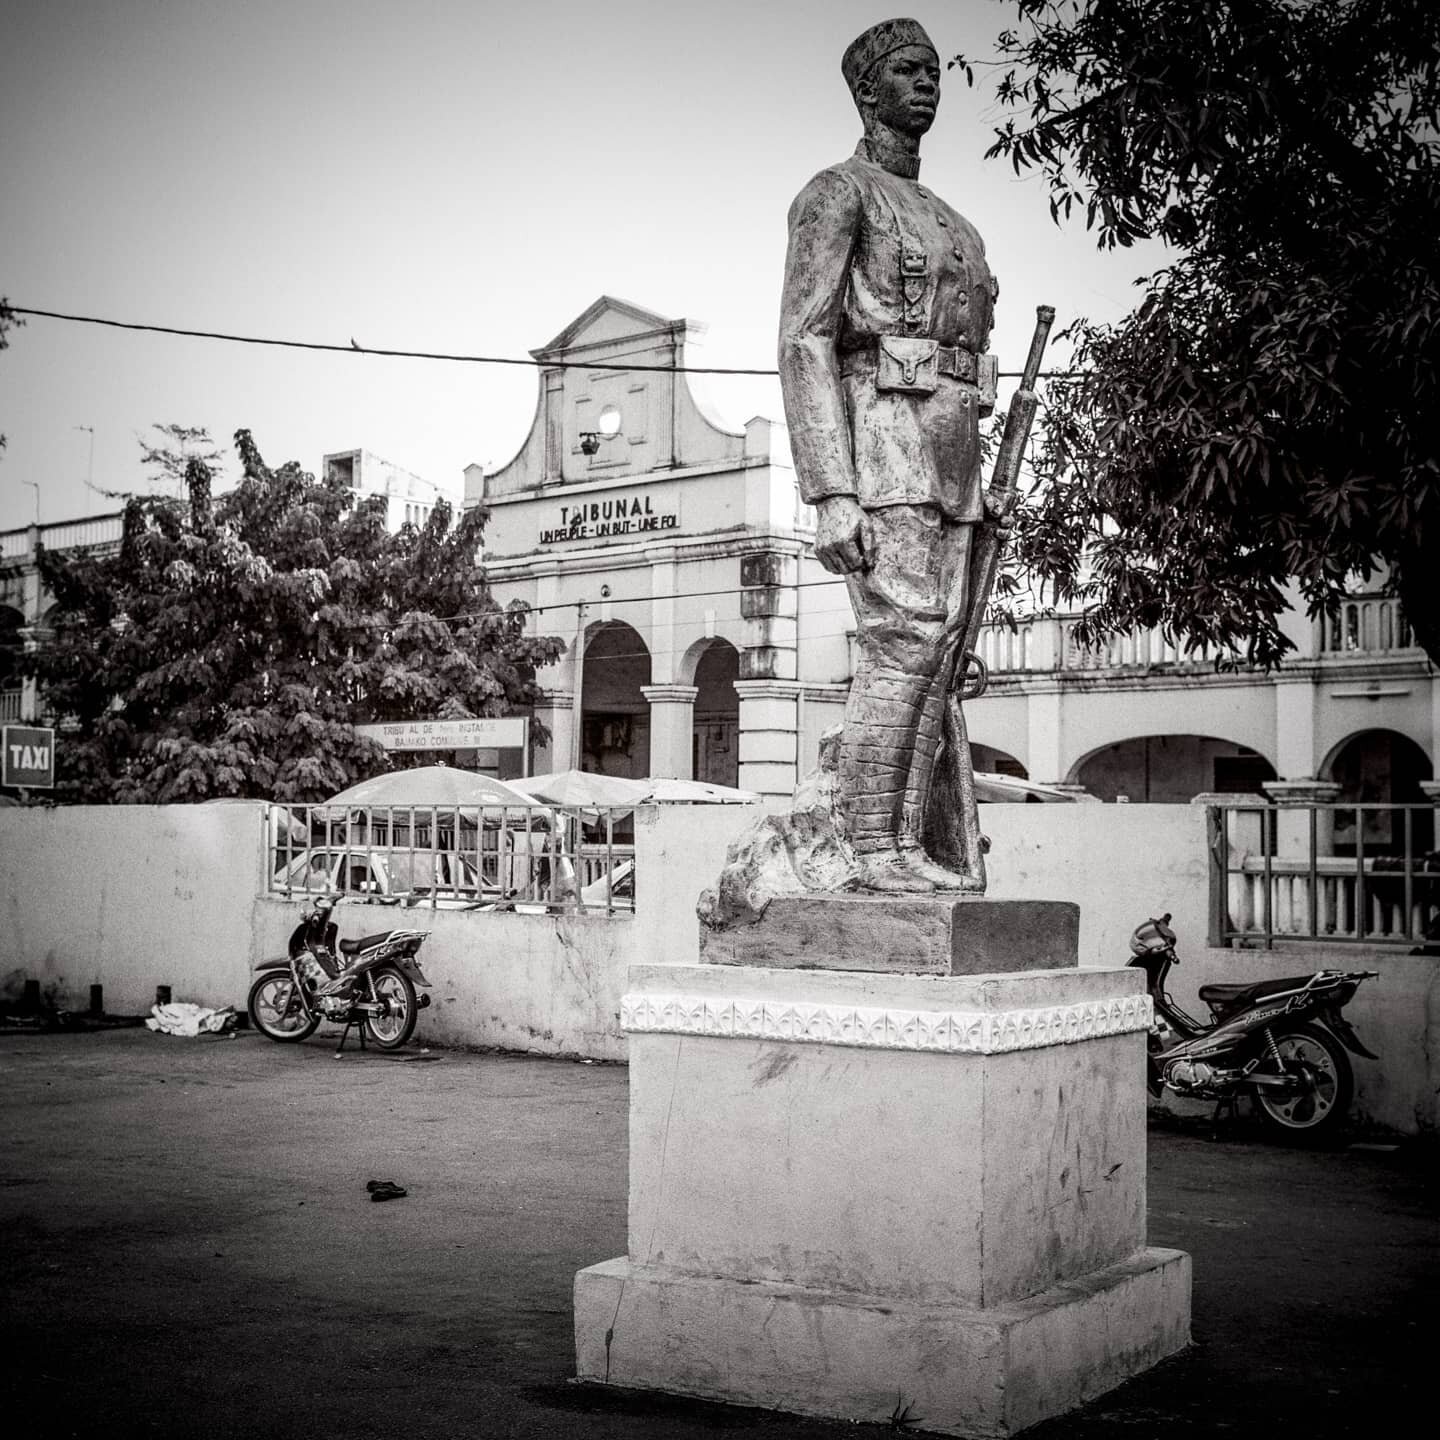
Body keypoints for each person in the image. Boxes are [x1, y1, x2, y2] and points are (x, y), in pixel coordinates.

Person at [778, 17, 1000, 893]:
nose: (928, 82)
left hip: (953, 458)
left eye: (934, 69)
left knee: (939, 651)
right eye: (908, 70)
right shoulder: (839, 193)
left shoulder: (957, 223)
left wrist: (985, 471)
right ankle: (867, 847)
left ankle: (906, 844)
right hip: (881, 447)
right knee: (902, 640)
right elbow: (805, 340)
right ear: (867, 90)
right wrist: (830, 490)